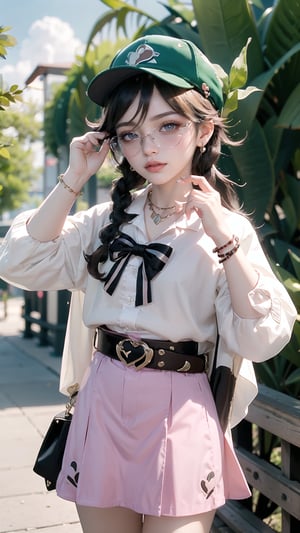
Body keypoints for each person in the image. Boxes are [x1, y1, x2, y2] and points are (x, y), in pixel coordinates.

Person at [0, 35, 296, 533]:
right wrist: (73, 177)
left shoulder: (226, 229)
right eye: (130, 134)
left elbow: (262, 336)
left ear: (204, 130)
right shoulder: (105, 221)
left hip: (181, 404)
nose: (149, 147)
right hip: (103, 396)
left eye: (169, 125)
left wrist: (224, 241)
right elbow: (20, 261)